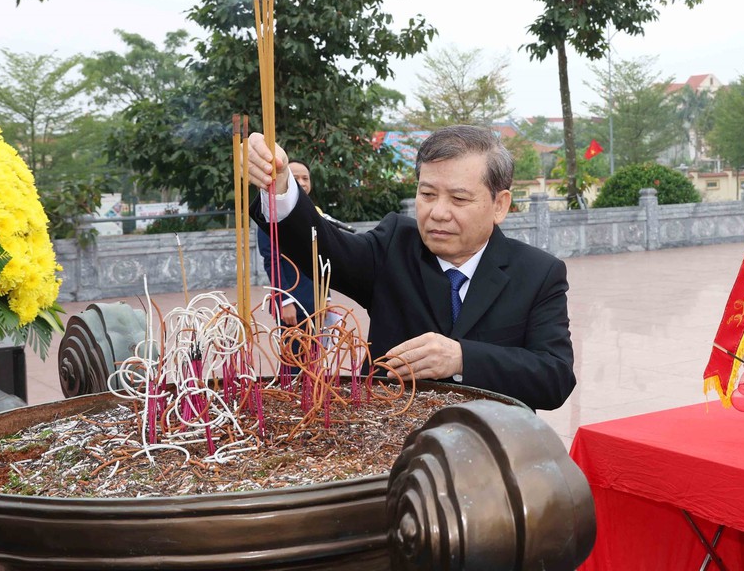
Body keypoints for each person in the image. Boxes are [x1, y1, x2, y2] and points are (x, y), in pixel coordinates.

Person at [246, 125, 575, 411]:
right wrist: (281, 185)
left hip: (489, 445)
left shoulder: (537, 273)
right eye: (427, 194)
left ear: (500, 205)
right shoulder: (394, 246)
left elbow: (555, 377)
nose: (438, 212)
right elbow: (324, 249)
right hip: (389, 441)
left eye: (459, 199)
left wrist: (462, 358)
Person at [257, 160, 316, 330]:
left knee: (319, 346)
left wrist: (325, 296)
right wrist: (284, 300)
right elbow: (272, 260)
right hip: (292, 304)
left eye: (306, 178)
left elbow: (320, 257)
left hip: (316, 301)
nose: (302, 183)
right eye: (295, 178)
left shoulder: (313, 212)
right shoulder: (270, 213)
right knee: (293, 347)